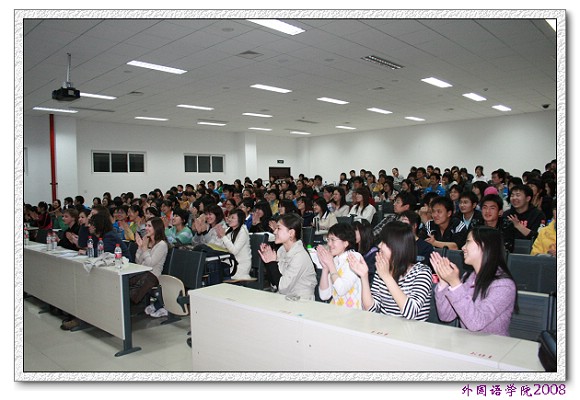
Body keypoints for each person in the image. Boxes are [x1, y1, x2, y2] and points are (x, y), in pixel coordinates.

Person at [430, 227, 517, 336]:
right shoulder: (469, 277)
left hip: (493, 345)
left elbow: (476, 323)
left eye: (468, 242)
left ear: (484, 245)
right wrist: (444, 282)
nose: (463, 248)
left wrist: (455, 284)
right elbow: (446, 316)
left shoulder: (504, 285)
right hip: (468, 342)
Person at [348, 221, 432, 320]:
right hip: (385, 327)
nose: (379, 246)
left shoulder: (422, 272)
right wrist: (364, 277)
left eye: (384, 242)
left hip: (412, 329)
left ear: (397, 246)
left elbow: (411, 312)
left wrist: (386, 277)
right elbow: (371, 309)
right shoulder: (382, 270)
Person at [61, 213, 130, 330]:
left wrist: (86, 251)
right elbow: (84, 244)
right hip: (109, 268)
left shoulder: (109, 236)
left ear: (98, 225)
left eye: (91, 224)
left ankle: (83, 317)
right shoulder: (98, 236)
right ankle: (80, 315)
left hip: (121, 270)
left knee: (87, 284)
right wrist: (83, 229)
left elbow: (103, 254)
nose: (89, 226)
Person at [258, 213, 317, 300]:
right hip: (286, 298)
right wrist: (269, 263)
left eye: (279, 228)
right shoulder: (281, 250)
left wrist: (272, 263)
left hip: (302, 301)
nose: (274, 232)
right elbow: (275, 284)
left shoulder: (300, 256)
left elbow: (283, 288)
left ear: (291, 233)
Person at [317, 223, 364, 309]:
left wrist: (330, 264)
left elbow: (341, 290)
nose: (329, 244)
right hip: (336, 311)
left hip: (353, 313)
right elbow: (324, 296)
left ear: (345, 243)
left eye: (333, 240)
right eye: (328, 239)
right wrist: (325, 268)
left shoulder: (354, 257)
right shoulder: (335, 260)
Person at [133, 217, 171, 318]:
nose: (146, 228)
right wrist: (140, 247)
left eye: (149, 226)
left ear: (156, 228)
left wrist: (144, 248)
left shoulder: (162, 245)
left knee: (134, 288)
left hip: (153, 275)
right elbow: (138, 261)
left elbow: (150, 264)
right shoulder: (148, 242)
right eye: (146, 225)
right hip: (143, 272)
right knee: (127, 281)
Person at [502, 184, 546, 253]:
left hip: (531, 252)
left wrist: (518, 226)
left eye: (518, 195)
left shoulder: (538, 215)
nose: (514, 198)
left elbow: (538, 237)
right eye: (512, 195)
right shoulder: (507, 214)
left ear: (528, 198)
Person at [215, 209, 252, 279]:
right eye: (229, 217)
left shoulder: (243, 231)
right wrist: (219, 237)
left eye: (233, 218)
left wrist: (223, 236)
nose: (229, 219)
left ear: (240, 219)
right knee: (213, 268)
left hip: (239, 266)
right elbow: (220, 247)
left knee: (215, 271)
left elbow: (234, 251)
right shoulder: (229, 230)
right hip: (229, 262)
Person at [352, 220, 378, 285]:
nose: (352, 233)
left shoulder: (374, 254)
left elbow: (370, 278)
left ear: (363, 232)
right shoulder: (353, 249)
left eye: (355, 230)